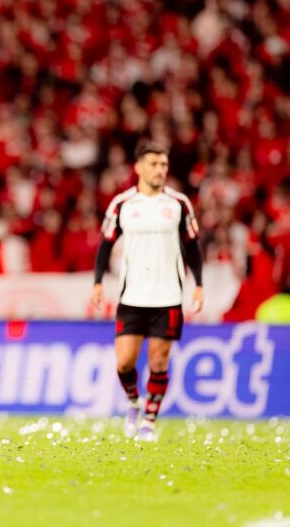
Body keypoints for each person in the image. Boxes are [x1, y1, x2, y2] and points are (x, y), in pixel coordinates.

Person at [90, 142, 203, 442]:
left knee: (158, 362)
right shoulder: (123, 204)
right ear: (138, 168)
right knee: (124, 363)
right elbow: (105, 244)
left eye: (164, 165)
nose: (159, 170)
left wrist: (199, 285)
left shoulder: (178, 204)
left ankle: (149, 421)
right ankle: (133, 402)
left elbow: (192, 245)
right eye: (153, 164)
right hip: (132, 297)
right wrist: (98, 282)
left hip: (168, 296)